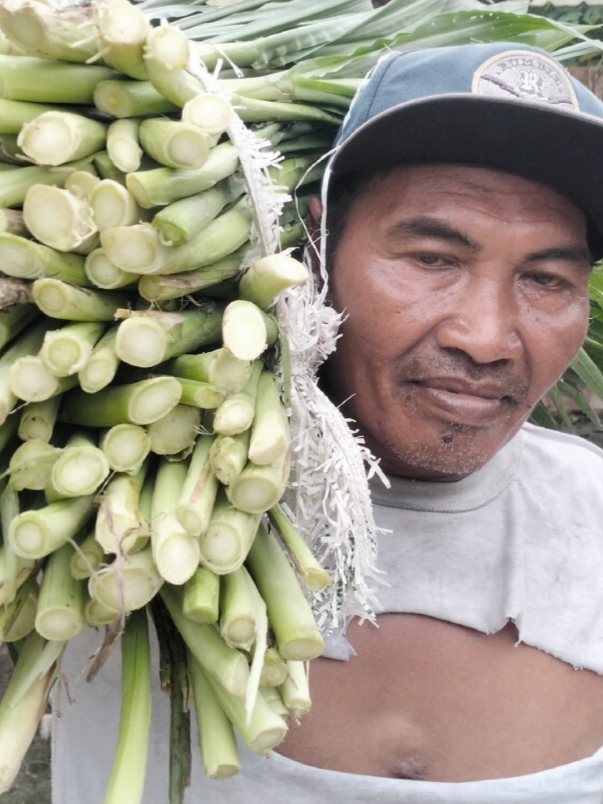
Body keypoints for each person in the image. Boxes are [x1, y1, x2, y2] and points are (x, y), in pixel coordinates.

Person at [53, 42, 603, 803]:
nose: (485, 337)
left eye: (545, 278)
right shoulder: (109, 494)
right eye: (432, 258)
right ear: (314, 246)